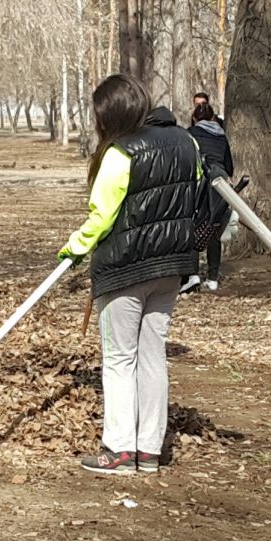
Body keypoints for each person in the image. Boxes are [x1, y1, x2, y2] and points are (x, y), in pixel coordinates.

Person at [58, 75, 201, 475]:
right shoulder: (186, 143)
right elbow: (196, 192)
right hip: (170, 268)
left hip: (125, 269)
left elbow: (101, 215)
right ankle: (149, 450)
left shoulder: (121, 152)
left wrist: (75, 247)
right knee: (152, 355)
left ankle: (120, 449)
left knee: (120, 358)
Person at [183, 101, 235, 293]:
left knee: (193, 225)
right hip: (220, 184)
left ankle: (193, 274)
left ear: (194, 118)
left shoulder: (190, 134)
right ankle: (213, 277)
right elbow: (229, 166)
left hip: (200, 182)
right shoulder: (221, 136)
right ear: (213, 117)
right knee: (214, 228)